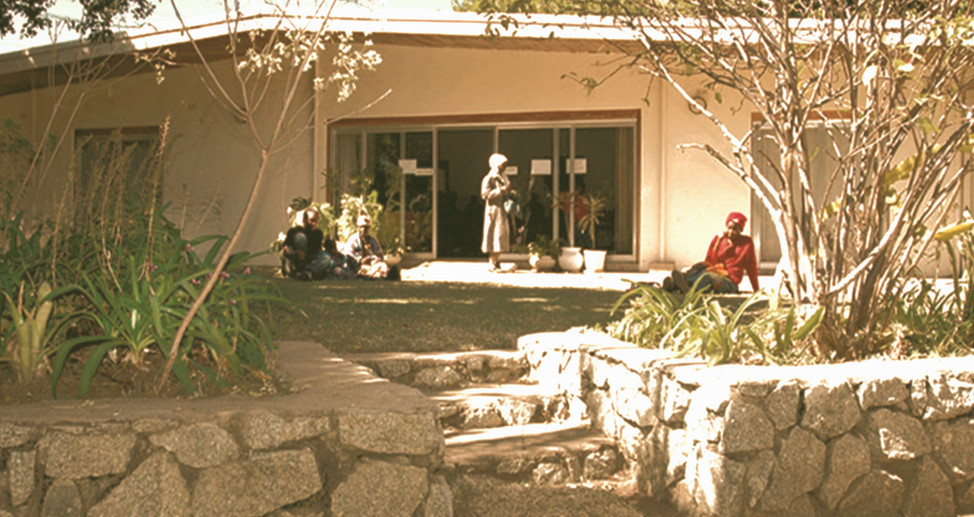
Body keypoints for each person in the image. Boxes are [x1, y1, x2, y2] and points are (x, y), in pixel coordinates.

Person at [667, 211, 759, 294]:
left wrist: (756, 289)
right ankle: (678, 285)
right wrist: (718, 242)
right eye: (729, 228)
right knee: (699, 270)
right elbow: (709, 261)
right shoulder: (718, 239)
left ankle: (686, 289)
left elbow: (752, 268)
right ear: (726, 226)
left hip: (729, 281)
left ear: (741, 230)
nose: (731, 232)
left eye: (735, 229)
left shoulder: (746, 243)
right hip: (715, 271)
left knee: (708, 277)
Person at [481, 153, 512, 271]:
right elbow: (485, 195)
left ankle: (497, 260)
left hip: (502, 210)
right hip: (493, 211)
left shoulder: (503, 177)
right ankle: (492, 262)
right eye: (503, 165)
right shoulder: (489, 178)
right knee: (494, 236)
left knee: (501, 236)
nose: (504, 167)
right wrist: (501, 190)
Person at [343, 214, 399, 280]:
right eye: (362, 227)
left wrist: (374, 260)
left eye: (366, 227)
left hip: (374, 266)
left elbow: (380, 256)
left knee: (382, 266)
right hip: (359, 267)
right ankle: (380, 276)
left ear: (369, 228)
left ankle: (381, 275)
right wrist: (361, 261)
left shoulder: (373, 241)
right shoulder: (353, 240)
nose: (363, 229)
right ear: (358, 227)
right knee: (371, 270)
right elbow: (348, 257)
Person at [282, 208, 327, 280]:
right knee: (300, 237)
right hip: (295, 258)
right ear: (305, 220)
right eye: (312, 220)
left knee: (326, 258)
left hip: (310, 259)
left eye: (316, 220)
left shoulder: (318, 233)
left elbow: (317, 250)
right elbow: (286, 247)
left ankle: (306, 272)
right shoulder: (294, 230)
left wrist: (306, 255)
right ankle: (301, 270)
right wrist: (295, 253)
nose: (314, 223)